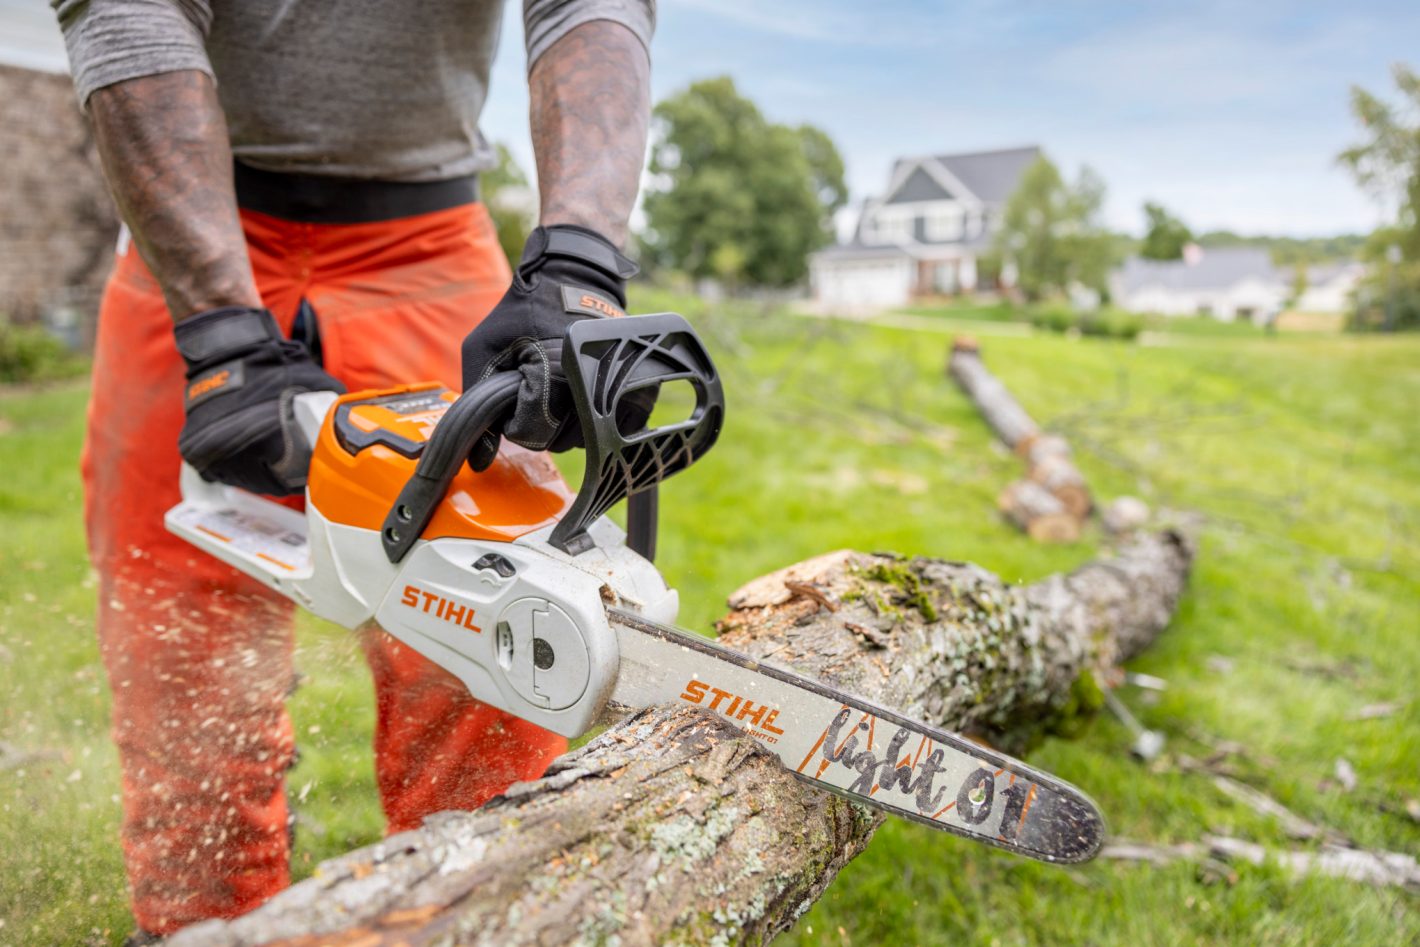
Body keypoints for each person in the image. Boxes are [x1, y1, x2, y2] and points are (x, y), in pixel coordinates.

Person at [51, 0, 658, 937]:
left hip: (427, 242)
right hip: (189, 225)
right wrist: (220, 328)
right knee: (183, 678)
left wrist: (580, 261)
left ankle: (483, 918)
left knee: (492, 667)